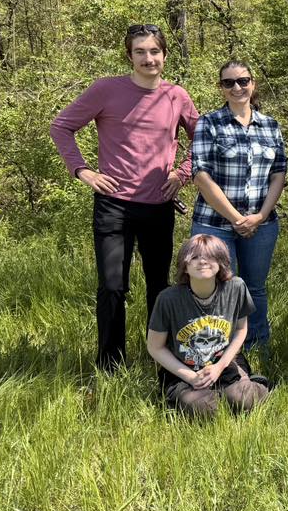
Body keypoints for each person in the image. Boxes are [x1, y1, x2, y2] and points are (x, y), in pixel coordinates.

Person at [50, 23, 198, 371]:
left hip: (158, 206)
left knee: (160, 287)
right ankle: (110, 365)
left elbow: (203, 139)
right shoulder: (106, 90)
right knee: (113, 286)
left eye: (154, 51)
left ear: (164, 54)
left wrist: (182, 173)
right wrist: (83, 171)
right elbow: (61, 126)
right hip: (113, 205)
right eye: (140, 52)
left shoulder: (177, 96)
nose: (148, 58)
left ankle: (162, 362)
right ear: (129, 56)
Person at [189, 62, 287, 350]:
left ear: (253, 84)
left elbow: (279, 172)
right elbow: (201, 175)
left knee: (254, 288)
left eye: (243, 81)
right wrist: (236, 218)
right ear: (221, 87)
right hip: (215, 224)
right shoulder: (209, 123)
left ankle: (257, 350)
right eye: (229, 83)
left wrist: (261, 215)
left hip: (262, 224)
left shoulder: (270, 125)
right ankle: (217, 352)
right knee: (218, 289)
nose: (237, 88)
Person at [146, 234, 269, 417]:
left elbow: (241, 330)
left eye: (210, 256)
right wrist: (191, 377)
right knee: (203, 408)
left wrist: (219, 367)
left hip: (225, 362)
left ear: (221, 262)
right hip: (184, 368)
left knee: (244, 400)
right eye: (194, 257)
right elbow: (155, 347)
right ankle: (208, 396)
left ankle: (251, 385)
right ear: (184, 266)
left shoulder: (236, 288)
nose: (202, 261)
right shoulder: (168, 299)